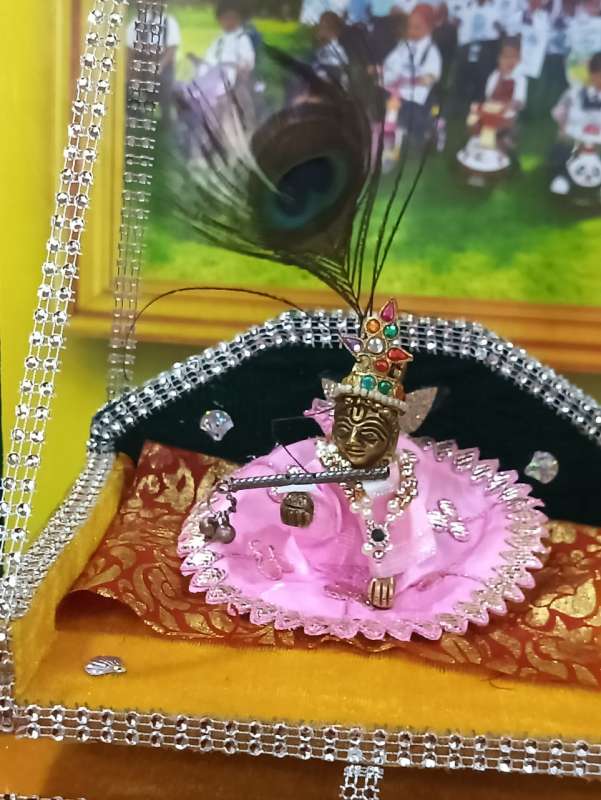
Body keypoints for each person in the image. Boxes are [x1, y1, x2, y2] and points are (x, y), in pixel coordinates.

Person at [382, 4, 443, 151]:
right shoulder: (403, 46)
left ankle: (427, 132)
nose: (411, 31)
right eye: (409, 27)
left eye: (417, 28)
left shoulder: (430, 51)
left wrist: (426, 78)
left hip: (415, 95)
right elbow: (390, 62)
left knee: (412, 122)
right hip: (395, 90)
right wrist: (382, 70)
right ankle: (386, 134)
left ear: (429, 29)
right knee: (381, 106)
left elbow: (433, 73)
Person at [549, 51, 601, 193]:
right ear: (592, 74)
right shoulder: (576, 93)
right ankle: (562, 175)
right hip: (577, 133)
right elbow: (560, 111)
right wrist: (563, 124)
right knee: (563, 143)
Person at [126, 12, 182, 123]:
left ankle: (166, 119)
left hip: (162, 65)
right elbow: (129, 50)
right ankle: (136, 118)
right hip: (141, 64)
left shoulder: (169, 22)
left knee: (165, 84)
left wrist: (159, 66)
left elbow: (171, 51)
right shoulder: (136, 22)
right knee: (128, 87)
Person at [451, 0, 503, 113]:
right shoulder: (467, 8)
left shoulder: (493, 10)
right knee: (463, 77)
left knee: (481, 79)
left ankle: (477, 108)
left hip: (484, 50)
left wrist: (497, 29)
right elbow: (456, 22)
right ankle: (460, 107)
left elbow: (499, 30)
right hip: (467, 48)